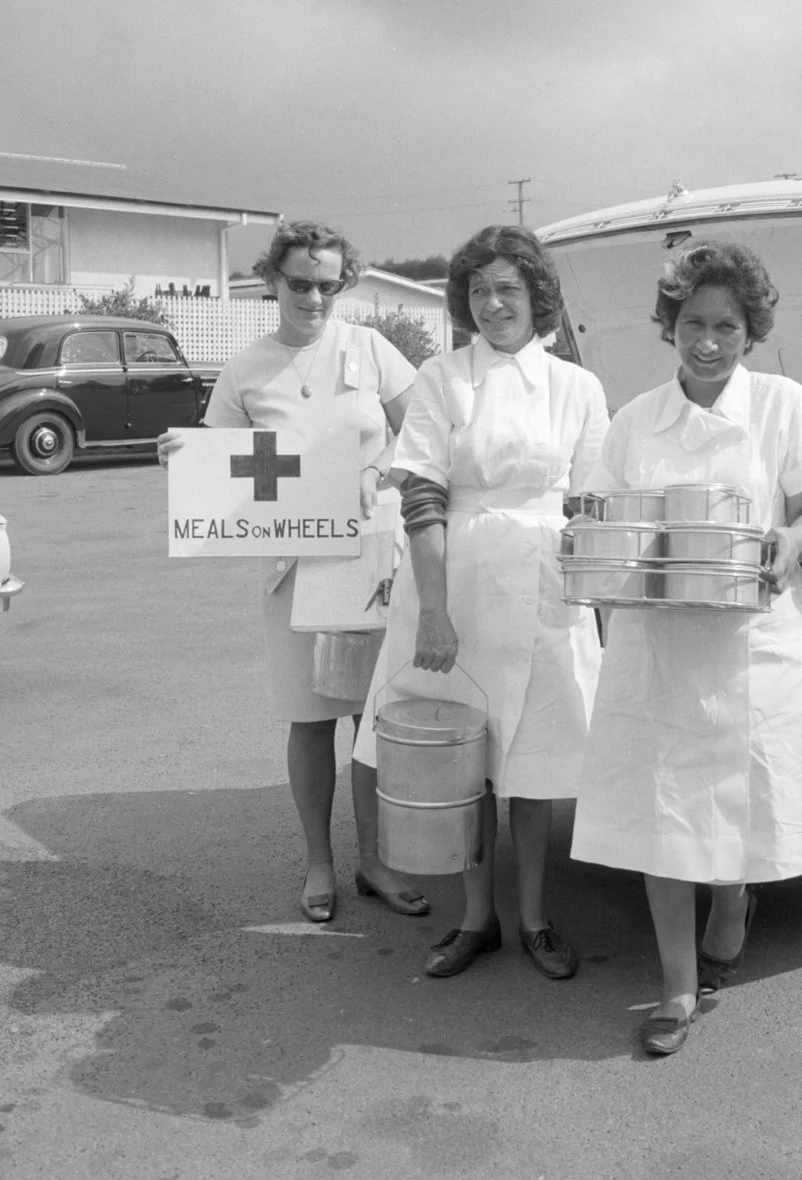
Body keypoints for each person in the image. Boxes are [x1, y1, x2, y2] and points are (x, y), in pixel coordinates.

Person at [570, 240, 802, 1055]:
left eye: (726, 325)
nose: (707, 340)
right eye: (692, 321)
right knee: (667, 811)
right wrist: (590, 546)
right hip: (659, 639)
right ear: (669, 324)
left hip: (752, 636)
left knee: (736, 796)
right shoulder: (633, 421)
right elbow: (607, 525)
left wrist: (790, 541)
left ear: (750, 329)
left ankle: (732, 905)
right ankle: (676, 987)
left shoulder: (783, 406)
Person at [351, 225, 610, 979]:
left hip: (546, 587)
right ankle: (477, 919)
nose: (493, 304)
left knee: (531, 763)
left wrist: (596, 603)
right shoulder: (442, 376)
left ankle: (532, 917)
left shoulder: (578, 388)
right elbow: (423, 496)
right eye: (478, 290)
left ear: (537, 297)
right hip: (453, 584)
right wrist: (433, 610)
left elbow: (592, 505)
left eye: (508, 289)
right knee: (460, 757)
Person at [158, 219, 430, 924]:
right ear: (273, 280)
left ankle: (375, 859)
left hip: (374, 559)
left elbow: (428, 441)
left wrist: (388, 481)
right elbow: (218, 464)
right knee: (310, 720)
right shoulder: (247, 367)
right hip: (295, 567)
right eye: (300, 282)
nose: (314, 296)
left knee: (373, 718)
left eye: (327, 284)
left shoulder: (370, 349)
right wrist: (179, 457)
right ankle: (319, 862)